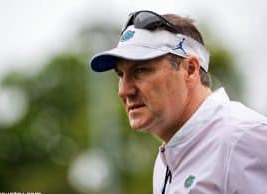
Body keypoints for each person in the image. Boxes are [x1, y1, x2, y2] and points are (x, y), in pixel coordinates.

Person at [89, 10, 267, 194]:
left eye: (140, 70)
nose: (124, 90)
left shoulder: (244, 138)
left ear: (190, 70)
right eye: (121, 75)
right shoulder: (165, 161)